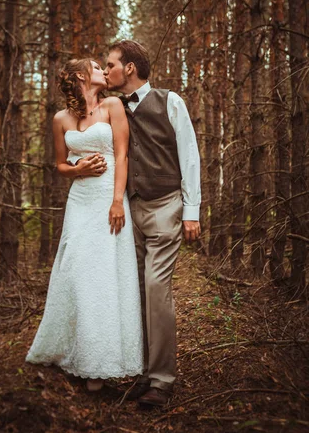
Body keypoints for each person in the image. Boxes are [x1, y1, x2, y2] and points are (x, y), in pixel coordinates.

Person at [25, 58, 143, 392]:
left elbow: (122, 155)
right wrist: (78, 170)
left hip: (109, 198)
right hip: (80, 201)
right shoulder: (60, 118)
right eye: (96, 67)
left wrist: (118, 200)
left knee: (107, 274)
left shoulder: (113, 106)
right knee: (78, 272)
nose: (105, 72)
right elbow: (60, 165)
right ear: (80, 75)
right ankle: (77, 353)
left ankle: (103, 365)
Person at [101, 40, 201, 407]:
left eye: (109, 64)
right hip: (130, 210)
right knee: (137, 291)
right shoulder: (112, 108)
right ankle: (144, 371)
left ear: (129, 68)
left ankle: (161, 380)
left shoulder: (170, 101)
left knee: (156, 288)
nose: (106, 69)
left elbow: (190, 157)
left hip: (165, 206)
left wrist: (192, 211)